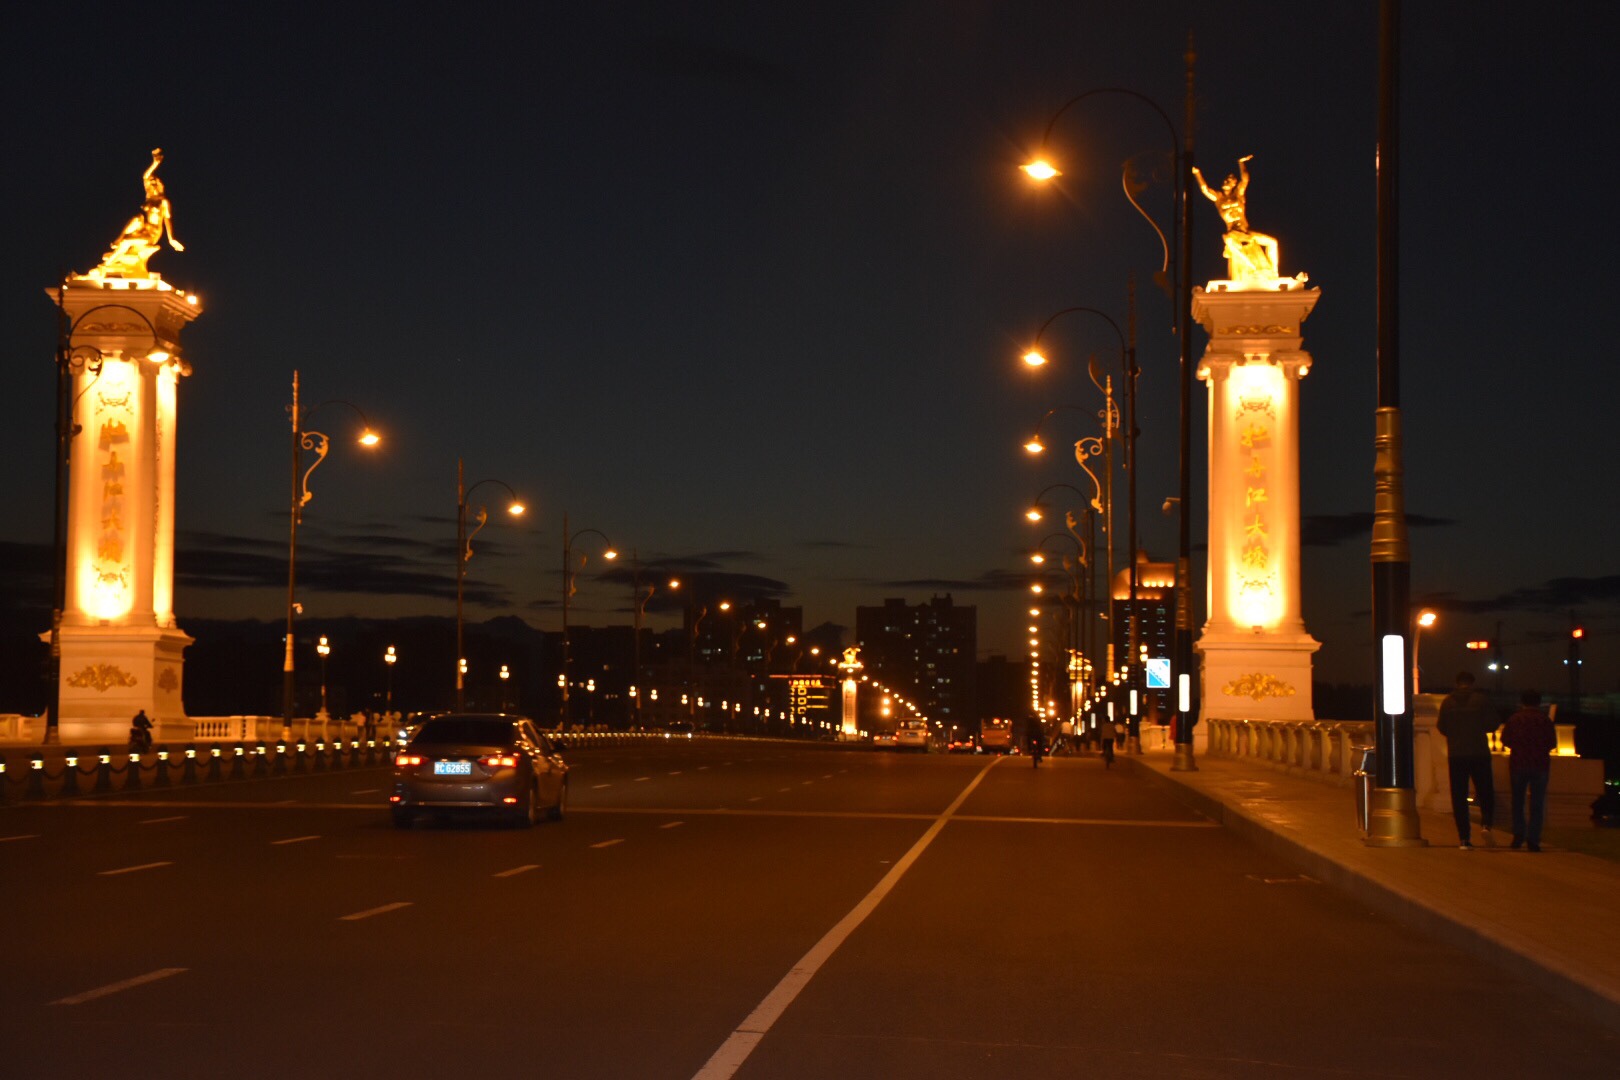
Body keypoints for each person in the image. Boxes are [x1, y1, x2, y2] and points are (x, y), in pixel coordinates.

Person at [1436, 671, 1499, 849]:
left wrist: (1456, 734)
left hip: (1456, 754)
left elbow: (1442, 727)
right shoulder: (1482, 700)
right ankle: (1486, 824)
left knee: (1459, 796)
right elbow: (1493, 723)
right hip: (1479, 752)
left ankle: (1464, 838)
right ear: (1472, 683)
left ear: (1457, 683)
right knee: (1486, 792)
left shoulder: (1447, 702)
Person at [1500, 689, 1557, 852]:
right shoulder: (1544, 720)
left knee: (1518, 802)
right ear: (1539, 703)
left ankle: (1518, 836)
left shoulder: (1515, 719)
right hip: (1540, 764)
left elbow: (1505, 739)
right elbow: (1552, 743)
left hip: (1518, 763)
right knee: (1537, 803)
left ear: (1522, 702)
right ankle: (1533, 839)